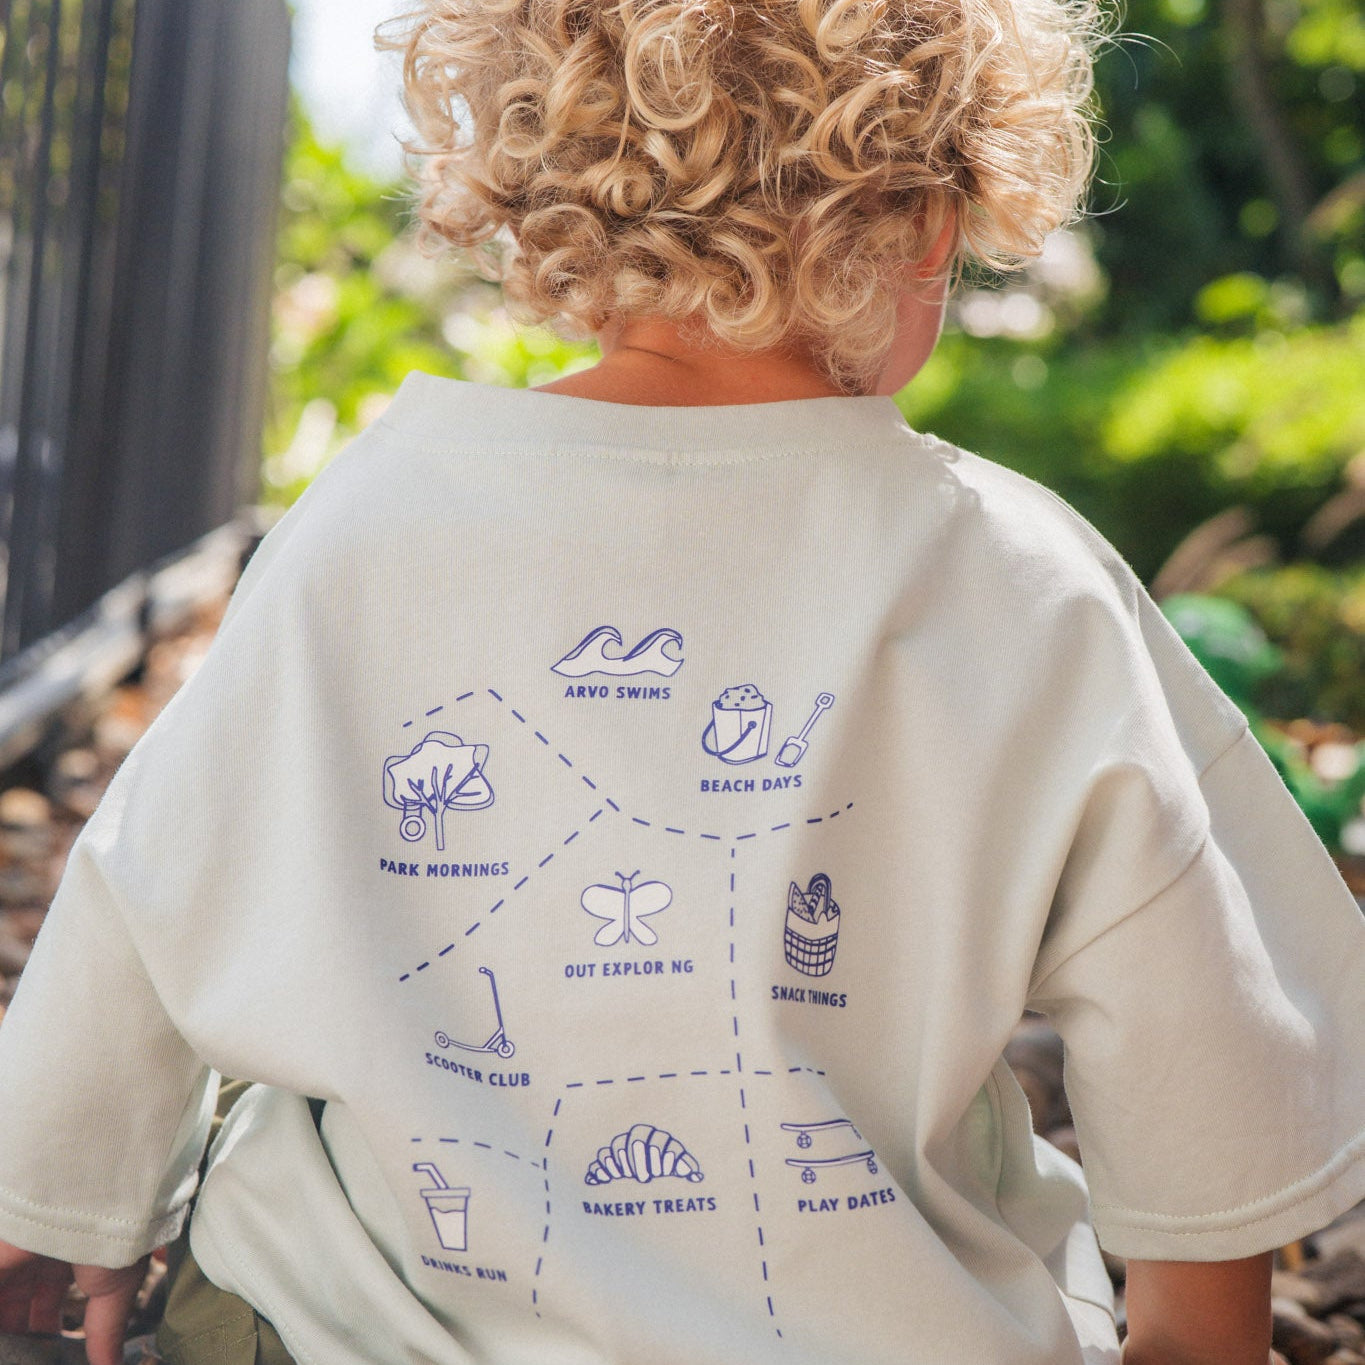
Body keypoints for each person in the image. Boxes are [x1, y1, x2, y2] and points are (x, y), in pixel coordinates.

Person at [0, 1, 1361, 1362]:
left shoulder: (370, 520)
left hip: (354, 1323)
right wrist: (1196, 1331)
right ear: (937, 219)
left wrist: (58, 1202)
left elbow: (152, 879)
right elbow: (1209, 1032)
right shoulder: (1023, 580)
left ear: (546, 199)